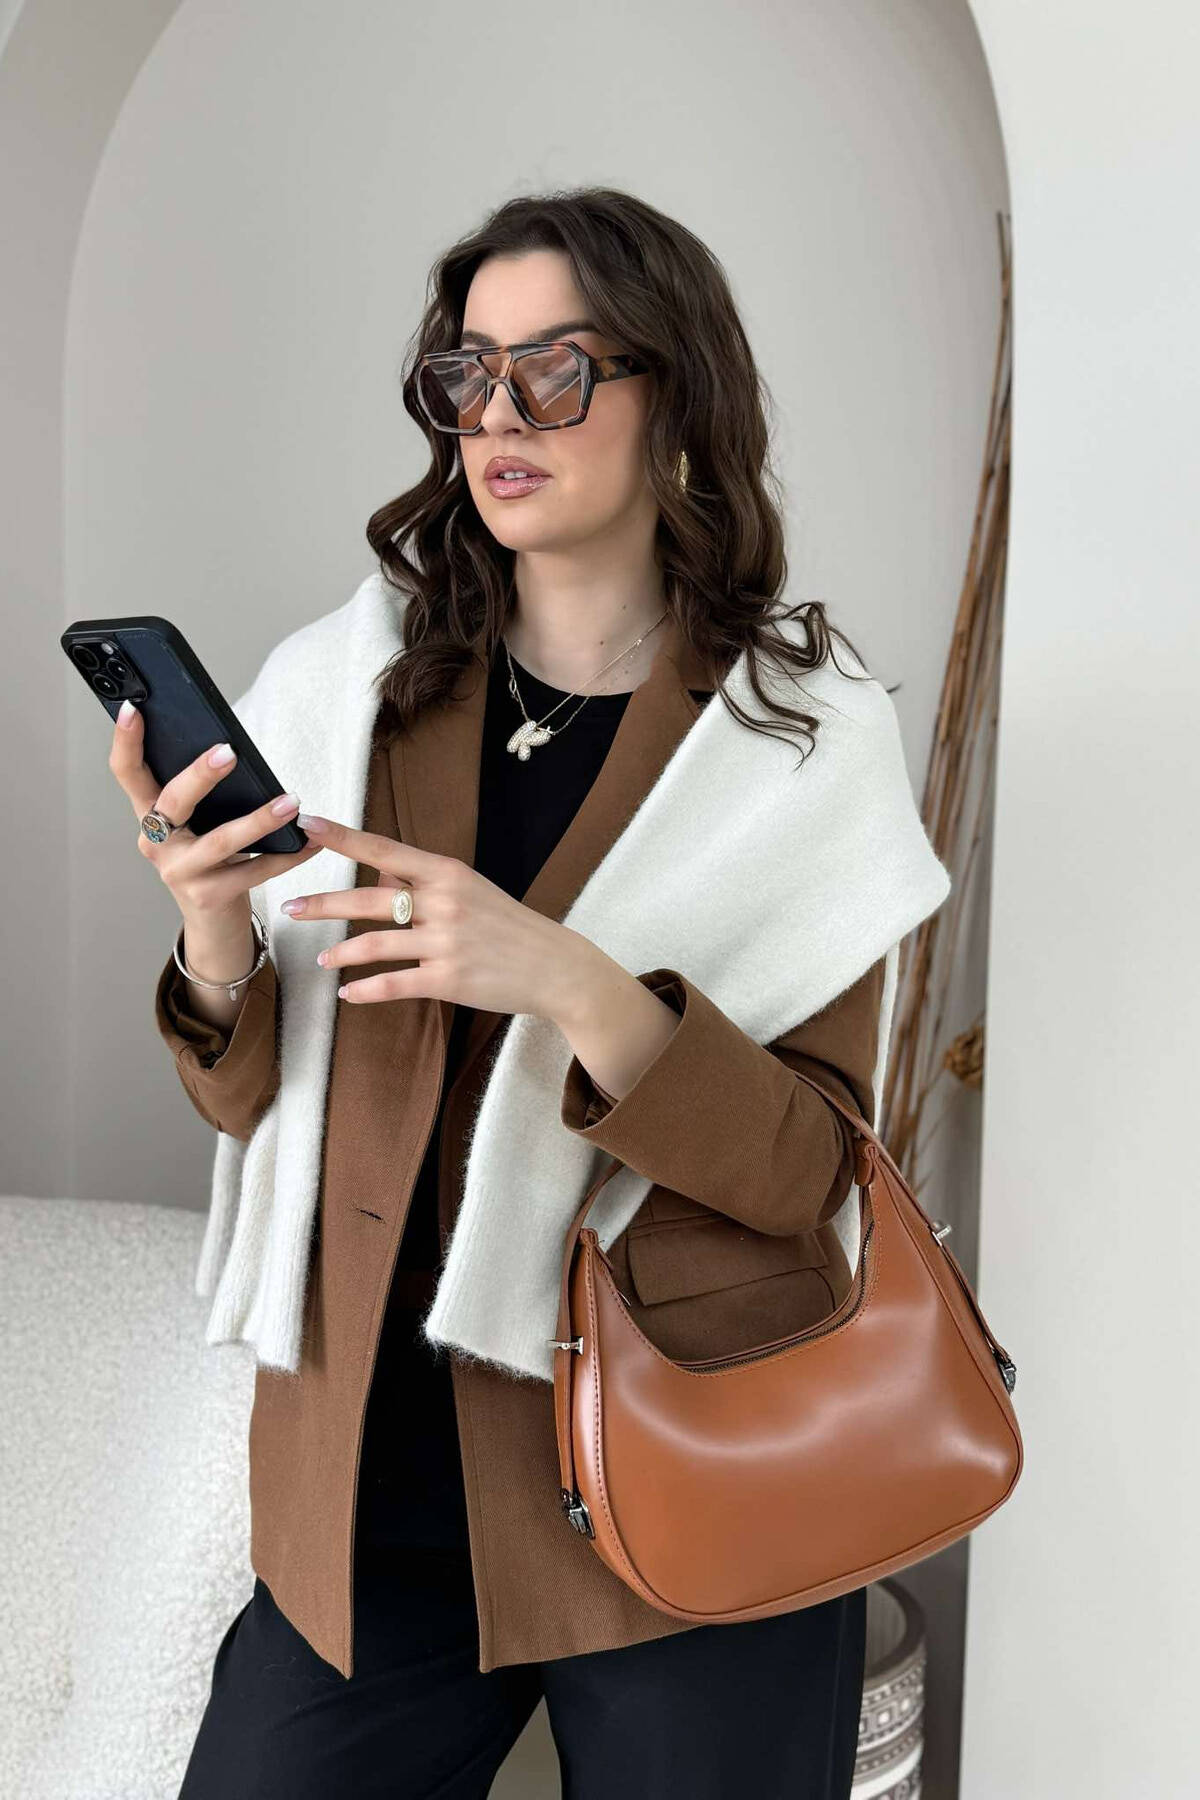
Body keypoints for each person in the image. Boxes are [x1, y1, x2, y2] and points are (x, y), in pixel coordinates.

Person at [110, 187, 897, 1799]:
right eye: (468, 373)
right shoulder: (346, 696)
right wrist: (213, 937)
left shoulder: (801, 738)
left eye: (556, 369)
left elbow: (808, 1172)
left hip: (697, 1480)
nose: (498, 417)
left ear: (676, 392)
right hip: (375, 1485)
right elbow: (253, 1096)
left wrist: (568, 981)